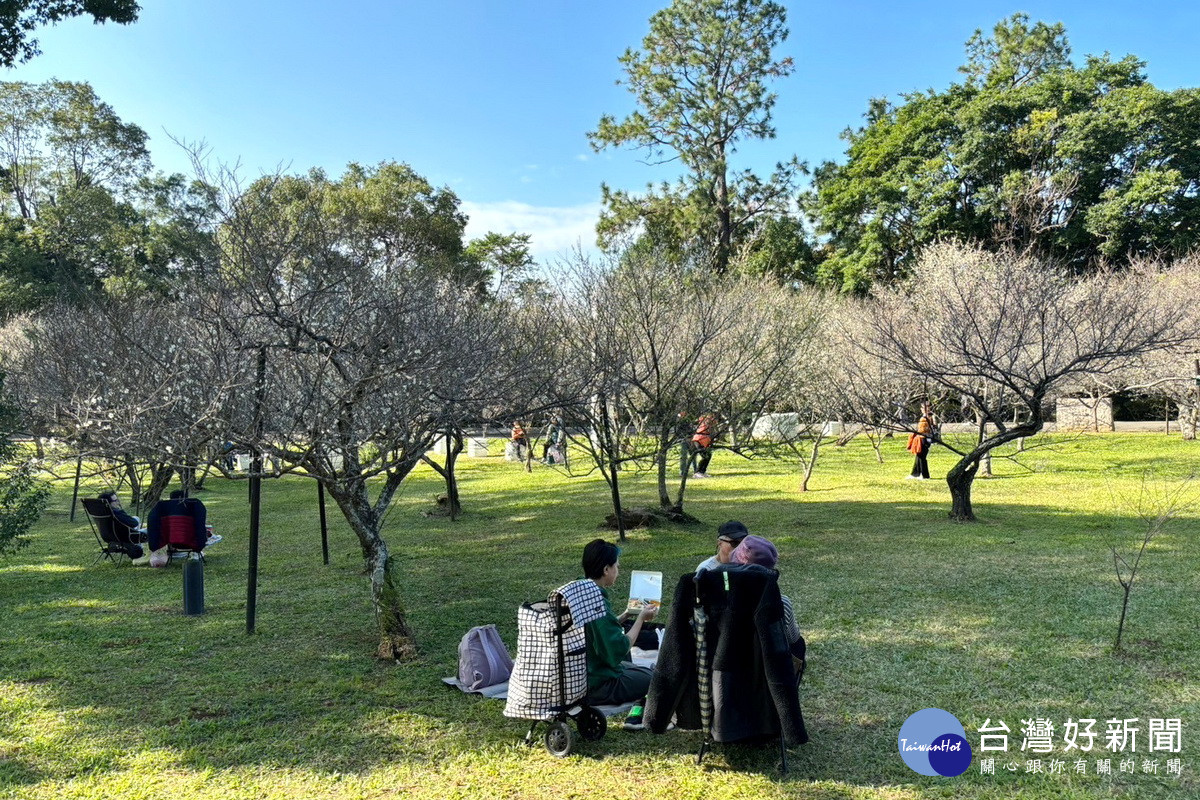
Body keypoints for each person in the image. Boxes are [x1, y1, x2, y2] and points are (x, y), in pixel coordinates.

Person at [580, 538, 657, 730]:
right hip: (597, 683)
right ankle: (639, 713)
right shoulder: (597, 602)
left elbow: (597, 630)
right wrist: (640, 619)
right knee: (655, 678)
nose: (618, 571)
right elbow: (618, 648)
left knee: (640, 670)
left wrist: (625, 615)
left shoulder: (581, 591)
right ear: (606, 569)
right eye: (616, 567)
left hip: (580, 673)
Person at [729, 535, 806, 681]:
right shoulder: (781, 603)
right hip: (766, 676)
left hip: (725, 674)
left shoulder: (714, 599)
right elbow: (793, 639)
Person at [147, 489, 214, 557]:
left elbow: (153, 527)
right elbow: (200, 526)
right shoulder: (194, 505)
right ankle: (195, 555)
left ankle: (172, 551)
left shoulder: (162, 508)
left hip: (171, 541)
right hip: (192, 542)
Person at [97, 490, 146, 561]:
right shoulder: (116, 513)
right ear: (108, 503)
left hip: (109, 537)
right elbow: (134, 523)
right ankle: (138, 549)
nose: (118, 502)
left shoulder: (101, 513)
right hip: (124, 537)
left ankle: (137, 546)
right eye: (115, 500)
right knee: (149, 530)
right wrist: (121, 511)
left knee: (136, 518)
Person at [907, 401, 937, 480]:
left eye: (925, 408)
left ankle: (925, 475)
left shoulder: (929, 417)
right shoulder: (924, 417)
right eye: (922, 407)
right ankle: (915, 474)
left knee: (922, 457)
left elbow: (931, 427)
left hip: (924, 439)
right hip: (920, 438)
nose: (922, 409)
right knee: (918, 456)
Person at [689, 412, 717, 478]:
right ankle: (697, 472)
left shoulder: (709, 422)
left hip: (705, 440)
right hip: (698, 440)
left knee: (708, 455)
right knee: (704, 456)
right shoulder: (705, 420)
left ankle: (702, 471)